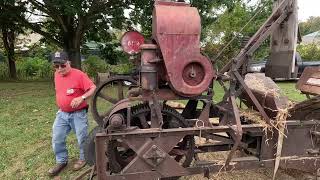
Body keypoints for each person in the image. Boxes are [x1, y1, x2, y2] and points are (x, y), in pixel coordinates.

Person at [48, 51, 96, 176]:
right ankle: (61, 161)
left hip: (78, 114)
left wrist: (82, 97)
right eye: (56, 66)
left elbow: (92, 88)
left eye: (63, 65)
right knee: (57, 137)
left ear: (69, 62)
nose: (60, 69)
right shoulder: (56, 75)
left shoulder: (79, 75)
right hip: (62, 113)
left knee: (82, 138)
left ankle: (83, 158)